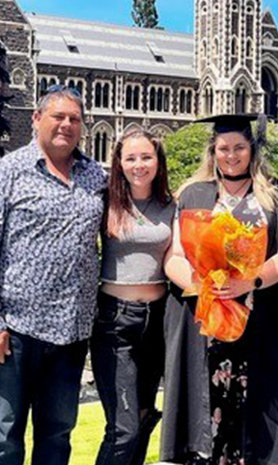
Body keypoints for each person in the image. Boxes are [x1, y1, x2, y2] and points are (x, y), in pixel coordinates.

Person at [0, 85, 106, 465]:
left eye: (75, 119)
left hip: (71, 333)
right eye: (58, 116)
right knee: (4, 439)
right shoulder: (5, 173)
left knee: (57, 436)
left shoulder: (96, 177)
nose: (67, 125)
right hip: (14, 332)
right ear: (37, 119)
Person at [161, 114, 278, 465]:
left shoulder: (275, 194)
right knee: (205, 415)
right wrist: (202, 286)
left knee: (257, 421)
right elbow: (174, 256)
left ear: (252, 150)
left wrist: (249, 280)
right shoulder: (192, 194)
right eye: (224, 148)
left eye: (240, 147)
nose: (231, 155)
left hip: (259, 323)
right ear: (213, 150)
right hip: (205, 325)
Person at [92, 129, 175, 465]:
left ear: (158, 161)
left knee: (143, 417)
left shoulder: (172, 205)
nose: (139, 164)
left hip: (157, 320)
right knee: (123, 428)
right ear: (119, 163)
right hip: (115, 321)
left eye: (146, 157)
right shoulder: (103, 201)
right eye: (130, 158)